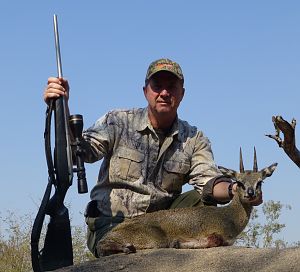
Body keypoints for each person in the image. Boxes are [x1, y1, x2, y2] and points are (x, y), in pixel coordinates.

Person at [44, 58, 262, 257]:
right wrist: (61, 108)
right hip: (113, 224)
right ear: (145, 91)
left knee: (201, 201)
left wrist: (237, 189)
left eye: (172, 86)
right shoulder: (117, 121)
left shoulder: (194, 138)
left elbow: (209, 183)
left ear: (182, 93)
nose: (164, 92)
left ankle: (187, 249)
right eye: (157, 86)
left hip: (162, 225)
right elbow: (81, 152)